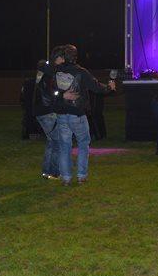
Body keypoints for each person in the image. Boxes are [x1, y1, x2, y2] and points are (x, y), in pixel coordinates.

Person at [43, 44, 115, 184]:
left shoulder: (56, 71)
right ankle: (81, 176)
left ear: (64, 56)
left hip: (61, 113)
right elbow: (96, 87)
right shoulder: (81, 71)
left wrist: (61, 95)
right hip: (77, 114)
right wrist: (109, 87)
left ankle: (66, 178)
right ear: (75, 57)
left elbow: (49, 91)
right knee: (83, 143)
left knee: (65, 146)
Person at [32, 60, 62, 179]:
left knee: (51, 142)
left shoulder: (39, 78)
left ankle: (46, 171)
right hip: (47, 113)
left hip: (41, 113)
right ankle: (54, 172)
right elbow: (51, 97)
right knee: (57, 142)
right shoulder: (47, 79)